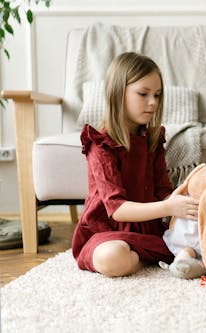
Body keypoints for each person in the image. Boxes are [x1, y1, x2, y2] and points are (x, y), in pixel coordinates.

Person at [72, 52, 198, 277]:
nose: (153, 103)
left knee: (194, 242)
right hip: (106, 232)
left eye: (157, 95)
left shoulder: (153, 139)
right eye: (143, 94)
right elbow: (117, 209)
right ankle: (149, 259)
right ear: (118, 94)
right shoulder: (100, 145)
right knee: (112, 257)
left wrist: (184, 200)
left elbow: (163, 191)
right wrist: (169, 207)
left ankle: (153, 256)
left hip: (149, 230)